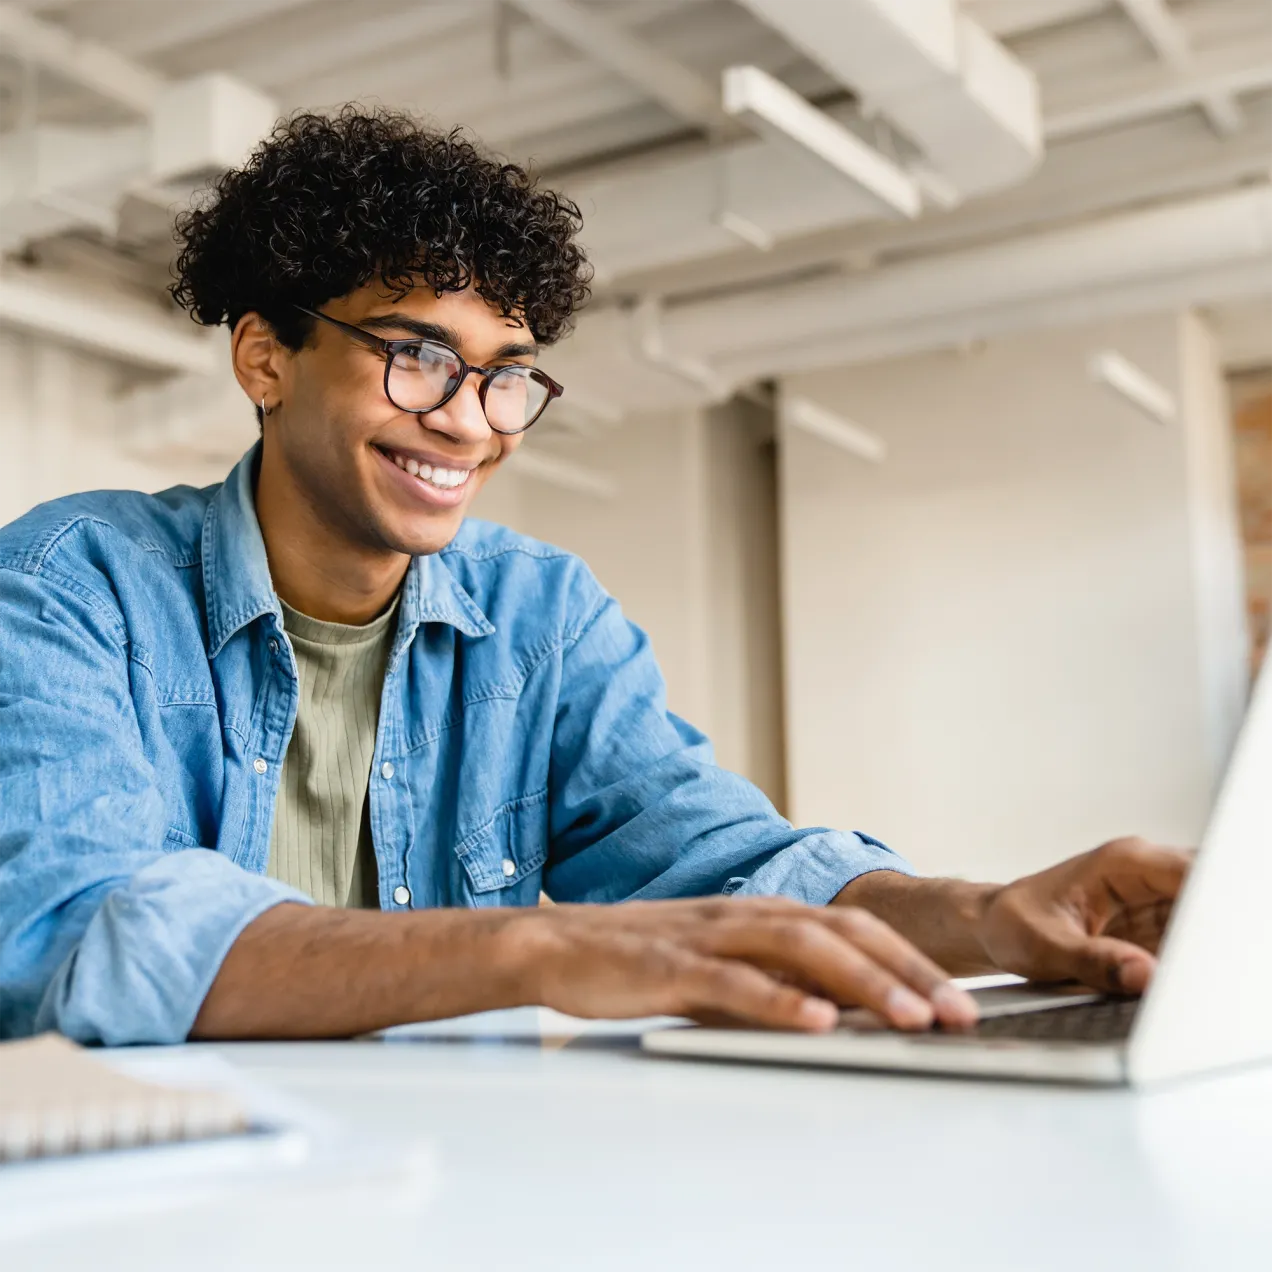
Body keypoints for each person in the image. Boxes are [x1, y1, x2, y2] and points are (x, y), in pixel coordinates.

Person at [0, 108, 1188, 1045]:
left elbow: (737, 868)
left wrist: (990, 917)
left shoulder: (543, 619)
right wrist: (536, 953)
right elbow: (81, 933)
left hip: (450, 1181)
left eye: (504, 375)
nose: (469, 421)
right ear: (265, 356)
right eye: (418, 357)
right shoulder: (72, 586)